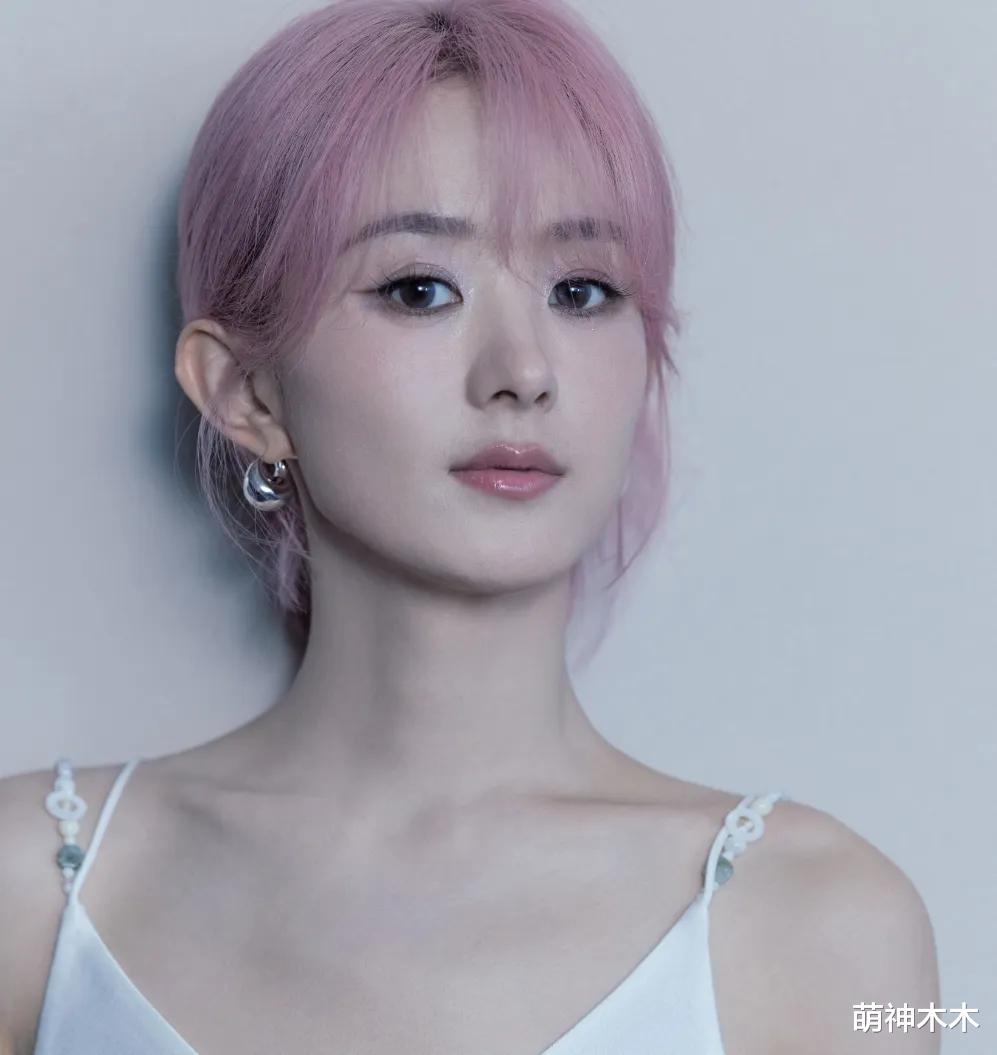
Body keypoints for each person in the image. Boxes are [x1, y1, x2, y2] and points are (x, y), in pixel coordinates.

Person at [2, 1, 940, 1051]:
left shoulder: (824, 927)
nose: (524, 372)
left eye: (582, 290)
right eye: (419, 288)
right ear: (244, 391)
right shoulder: (33, 893)